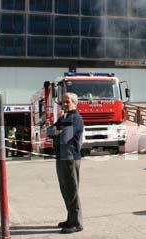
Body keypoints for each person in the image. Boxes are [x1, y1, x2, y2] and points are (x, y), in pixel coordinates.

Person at [47, 93, 84, 234]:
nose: (64, 103)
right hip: (61, 157)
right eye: (63, 101)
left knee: (72, 191)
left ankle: (77, 223)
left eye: (68, 101)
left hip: (70, 158)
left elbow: (65, 137)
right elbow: (49, 130)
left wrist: (56, 132)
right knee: (65, 190)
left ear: (75, 103)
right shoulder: (64, 118)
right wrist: (56, 131)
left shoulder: (75, 118)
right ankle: (70, 218)